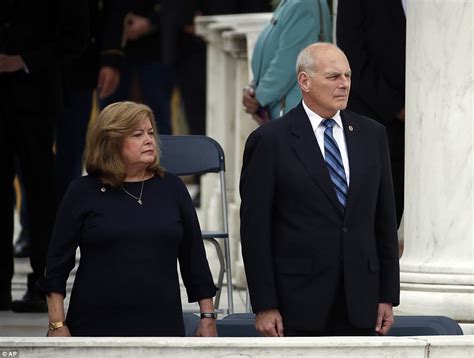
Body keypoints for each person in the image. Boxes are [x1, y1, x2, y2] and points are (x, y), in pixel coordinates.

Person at [240, 43, 400, 337]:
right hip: (297, 303)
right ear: (304, 81)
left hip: (361, 302)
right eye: (333, 76)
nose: (344, 84)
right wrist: (265, 304)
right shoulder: (269, 141)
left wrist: (387, 295)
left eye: (348, 76)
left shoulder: (372, 135)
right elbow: (255, 231)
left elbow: (384, 222)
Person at [41, 101, 218, 337]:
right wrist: (57, 324)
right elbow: (56, 264)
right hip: (95, 324)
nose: (149, 140)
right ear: (111, 142)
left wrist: (207, 316)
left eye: (151, 133)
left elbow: (194, 256)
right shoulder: (82, 191)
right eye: (137, 134)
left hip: (161, 323)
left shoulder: (172, 188)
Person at [0, 0, 89, 312]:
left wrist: (23, 60)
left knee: (41, 194)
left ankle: (43, 285)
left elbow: (76, 38)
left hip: (36, 99)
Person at [336, 0, 406, 227]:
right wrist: (396, 107)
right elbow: (351, 54)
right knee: (375, 223)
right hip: (377, 121)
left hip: (439, 121)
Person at [242, 0, 332, 124]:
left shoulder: (303, 4)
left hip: (292, 112)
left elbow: (287, 66)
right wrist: (254, 88)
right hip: (286, 109)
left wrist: (258, 98)